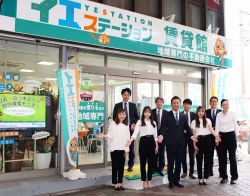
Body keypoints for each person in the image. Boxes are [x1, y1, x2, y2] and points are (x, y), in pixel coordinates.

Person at [158, 96, 197, 189]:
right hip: (170, 143)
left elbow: (187, 127)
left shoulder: (183, 115)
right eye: (174, 103)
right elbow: (163, 127)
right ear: (171, 104)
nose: (176, 104)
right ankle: (170, 181)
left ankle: (177, 180)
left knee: (179, 162)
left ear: (180, 104)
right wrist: (161, 135)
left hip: (181, 143)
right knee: (171, 163)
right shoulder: (166, 115)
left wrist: (191, 135)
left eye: (177, 103)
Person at [96, 108, 130, 191]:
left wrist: (127, 150)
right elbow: (110, 134)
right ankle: (115, 184)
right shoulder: (113, 124)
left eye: (123, 114)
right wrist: (103, 135)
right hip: (114, 148)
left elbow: (128, 138)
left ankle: (119, 183)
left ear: (125, 115)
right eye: (120, 114)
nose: (122, 116)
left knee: (121, 167)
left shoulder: (126, 125)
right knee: (115, 167)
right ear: (117, 115)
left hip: (123, 149)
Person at [128, 106, 158, 189]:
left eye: (149, 112)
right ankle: (144, 180)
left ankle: (149, 180)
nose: (147, 113)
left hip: (152, 141)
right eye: (145, 112)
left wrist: (157, 146)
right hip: (143, 142)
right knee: (143, 163)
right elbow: (135, 133)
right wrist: (131, 140)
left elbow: (156, 135)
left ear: (151, 113)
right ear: (143, 113)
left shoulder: (154, 122)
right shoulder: (139, 122)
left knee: (151, 163)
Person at [192, 106, 221, 186]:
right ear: (197, 112)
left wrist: (216, 136)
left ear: (204, 113)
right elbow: (194, 135)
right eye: (199, 111)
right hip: (198, 141)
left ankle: (205, 178)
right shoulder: (194, 122)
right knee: (199, 160)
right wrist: (194, 145)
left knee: (207, 160)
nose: (201, 113)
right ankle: (200, 178)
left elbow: (211, 130)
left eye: (202, 111)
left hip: (207, 140)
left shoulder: (207, 120)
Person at [113, 88, 139, 172]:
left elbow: (136, 117)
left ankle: (130, 165)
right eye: (125, 94)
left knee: (131, 149)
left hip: (130, 130)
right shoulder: (117, 105)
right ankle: (120, 165)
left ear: (129, 96)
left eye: (128, 95)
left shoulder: (133, 105)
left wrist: (133, 123)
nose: (126, 96)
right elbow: (114, 117)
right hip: (121, 130)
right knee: (121, 148)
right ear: (122, 95)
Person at [216, 99, 239, 185]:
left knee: (232, 157)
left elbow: (236, 126)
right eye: (224, 104)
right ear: (221, 106)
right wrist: (216, 139)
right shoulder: (219, 115)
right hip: (222, 136)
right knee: (222, 157)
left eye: (227, 104)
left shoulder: (232, 114)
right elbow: (217, 127)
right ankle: (224, 177)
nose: (226, 106)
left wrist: (237, 136)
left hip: (231, 136)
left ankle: (234, 177)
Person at [206, 96, 222, 176]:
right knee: (209, 154)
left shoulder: (221, 112)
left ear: (217, 102)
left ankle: (221, 172)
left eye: (215, 101)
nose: (214, 103)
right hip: (209, 136)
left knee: (220, 154)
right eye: (212, 101)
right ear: (210, 103)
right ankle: (210, 171)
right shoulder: (206, 112)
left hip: (219, 136)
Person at [181, 99, 197, 179]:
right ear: (183, 105)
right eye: (185, 104)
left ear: (190, 106)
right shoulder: (180, 114)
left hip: (191, 137)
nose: (187, 106)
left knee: (191, 155)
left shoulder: (194, 115)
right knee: (183, 155)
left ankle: (191, 172)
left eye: (188, 104)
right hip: (182, 136)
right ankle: (184, 172)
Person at [152, 97, 167, 176]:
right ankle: (154, 168)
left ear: (163, 103)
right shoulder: (151, 112)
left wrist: (162, 134)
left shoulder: (166, 113)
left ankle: (161, 168)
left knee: (161, 152)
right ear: (155, 103)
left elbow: (167, 126)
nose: (159, 103)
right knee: (154, 152)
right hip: (154, 136)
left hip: (163, 136)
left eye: (161, 102)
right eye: (158, 102)